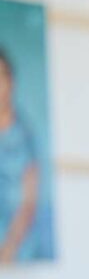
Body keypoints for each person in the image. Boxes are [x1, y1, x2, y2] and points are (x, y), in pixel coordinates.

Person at [0, 47, 41, 265]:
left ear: (10, 82)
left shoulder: (24, 135)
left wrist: (8, 249)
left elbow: (29, 203)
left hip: (17, 248)